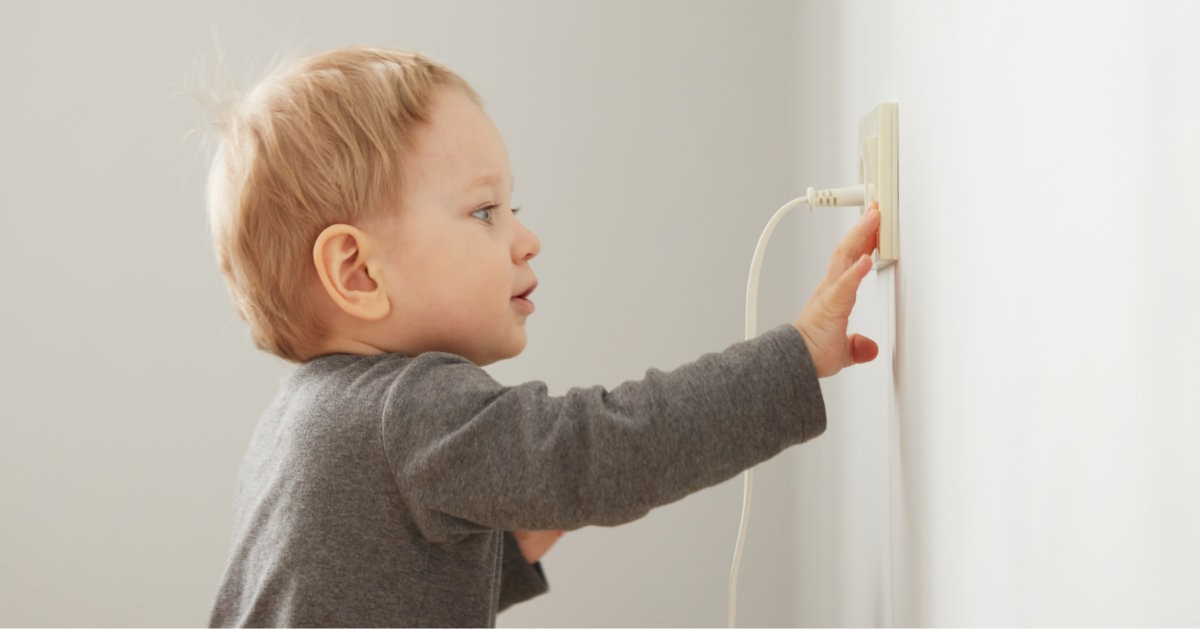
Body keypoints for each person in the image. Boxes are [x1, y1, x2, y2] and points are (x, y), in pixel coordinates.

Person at [204, 46, 881, 627]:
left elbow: (369, 592)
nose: (527, 239)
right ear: (356, 271)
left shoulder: (294, 422)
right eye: (486, 211)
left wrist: (511, 549)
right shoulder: (408, 408)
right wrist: (794, 356)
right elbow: (607, 446)